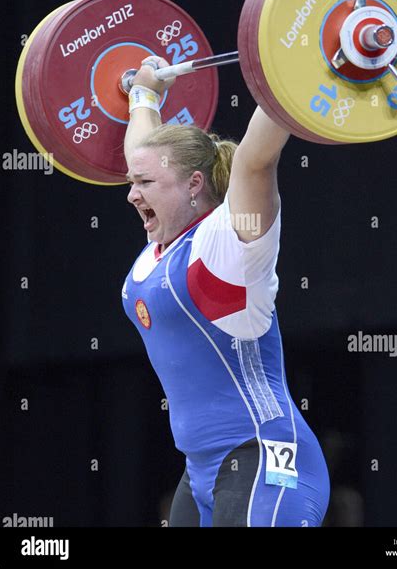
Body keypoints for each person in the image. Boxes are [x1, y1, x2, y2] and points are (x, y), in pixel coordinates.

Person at [121, 55, 330, 527]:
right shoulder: (163, 243)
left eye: (144, 183)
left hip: (265, 455)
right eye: (134, 182)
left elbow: (257, 159)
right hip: (200, 474)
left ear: (194, 183)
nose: (131, 193)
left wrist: (289, 64)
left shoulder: (230, 244)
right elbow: (144, 152)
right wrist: (143, 94)